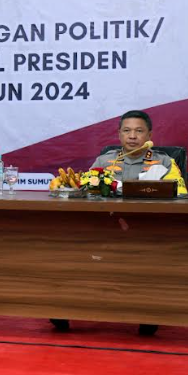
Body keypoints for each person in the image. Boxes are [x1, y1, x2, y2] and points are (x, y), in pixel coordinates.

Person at [50, 109, 185, 336]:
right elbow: (87, 190)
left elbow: (180, 195)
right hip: (106, 227)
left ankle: (149, 311)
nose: (132, 136)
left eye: (139, 131)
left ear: (149, 135)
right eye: (127, 131)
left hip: (147, 230)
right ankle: (63, 305)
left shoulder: (165, 161)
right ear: (119, 134)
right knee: (69, 251)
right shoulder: (105, 160)